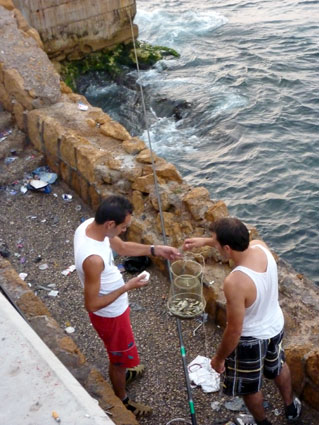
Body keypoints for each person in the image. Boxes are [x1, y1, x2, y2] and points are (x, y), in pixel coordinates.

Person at [183, 217, 301, 425]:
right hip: (274, 326)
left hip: (251, 339)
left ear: (227, 248)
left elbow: (235, 330)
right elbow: (231, 243)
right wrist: (205, 241)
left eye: (215, 243)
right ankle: (291, 407)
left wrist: (219, 359)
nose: (214, 246)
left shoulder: (236, 282)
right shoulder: (260, 247)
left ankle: (262, 422)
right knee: (278, 366)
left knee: (249, 388)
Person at [74, 195, 181, 417]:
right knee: (119, 359)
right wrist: (127, 287)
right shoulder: (93, 260)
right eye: (124, 226)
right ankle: (123, 399)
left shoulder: (90, 227)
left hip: (117, 309)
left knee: (122, 355)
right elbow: (91, 305)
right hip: (110, 315)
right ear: (110, 224)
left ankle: (124, 371)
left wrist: (156, 249)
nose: (124, 230)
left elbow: (121, 248)